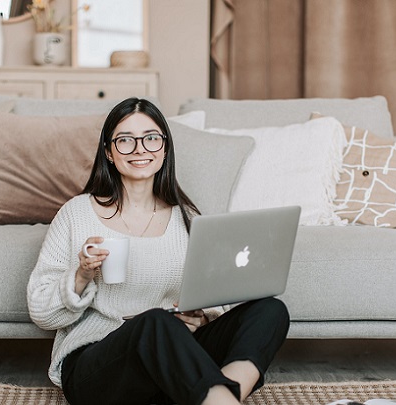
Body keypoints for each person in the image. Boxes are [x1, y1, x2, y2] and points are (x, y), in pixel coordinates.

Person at [27, 97, 290, 405]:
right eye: (125, 140)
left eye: (151, 139)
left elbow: (211, 297)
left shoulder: (187, 218)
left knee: (269, 310)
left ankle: (223, 396)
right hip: (98, 366)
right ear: (109, 152)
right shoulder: (77, 213)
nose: (140, 149)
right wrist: (82, 274)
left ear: (164, 148)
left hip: (172, 359)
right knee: (155, 322)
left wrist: (202, 319)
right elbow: (41, 312)